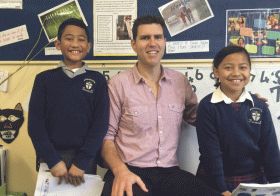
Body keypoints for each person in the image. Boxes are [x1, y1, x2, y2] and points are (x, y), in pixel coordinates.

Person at [100, 14, 222, 196]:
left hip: (170, 173)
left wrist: (237, 100)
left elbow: (203, 118)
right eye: (144, 38)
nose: (152, 43)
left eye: (157, 37)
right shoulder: (117, 85)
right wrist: (120, 171)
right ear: (133, 44)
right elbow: (106, 138)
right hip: (131, 170)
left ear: (164, 41)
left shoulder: (180, 82)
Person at [28, 18, 109, 186]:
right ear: (58, 44)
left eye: (81, 39)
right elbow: (35, 124)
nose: (75, 44)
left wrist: (82, 162)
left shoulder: (98, 80)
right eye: (69, 38)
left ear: (88, 46)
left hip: (84, 160)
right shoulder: (43, 79)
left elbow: (100, 124)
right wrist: (52, 159)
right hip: (50, 158)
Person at [196, 46, 280, 196]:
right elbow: (211, 154)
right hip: (216, 181)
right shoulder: (207, 106)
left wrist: (277, 185)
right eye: (228, 67)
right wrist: (222, 189)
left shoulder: (259, 105)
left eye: (243, 67)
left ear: (249, 70)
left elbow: (271, 150)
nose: (236, 73)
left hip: (253, 181)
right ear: (216, 72)